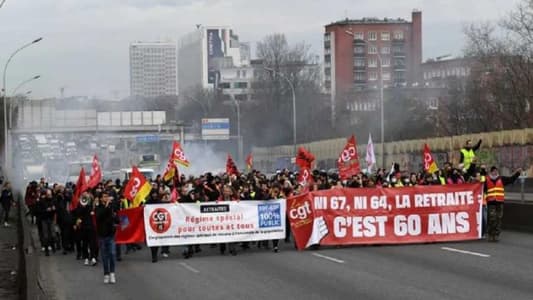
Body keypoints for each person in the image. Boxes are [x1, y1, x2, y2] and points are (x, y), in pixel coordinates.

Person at [485, 166, 522, 242]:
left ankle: (496, 235)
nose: (495, 172)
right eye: (494, 171)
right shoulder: (487, 180)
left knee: (498, 219)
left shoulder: (502, 179)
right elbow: (480, 187)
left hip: (499, 202)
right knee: (492, 218)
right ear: (491, 172)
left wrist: (517, 173)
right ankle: (490, 234)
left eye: (496, 171)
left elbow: (511, 179)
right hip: (491, 202)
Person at [95, 191, 119, 284]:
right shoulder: (98, 208)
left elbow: (115, 218)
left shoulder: (111, 207)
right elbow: (99, 216)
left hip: (111, 235)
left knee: (112, 254)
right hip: (102, 235)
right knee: (104, 256)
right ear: (101, 198)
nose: (106, 198)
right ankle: (106, 274)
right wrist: (106, 207)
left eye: (107, 196)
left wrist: (115, 218)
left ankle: (112, 273)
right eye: (104, 197)